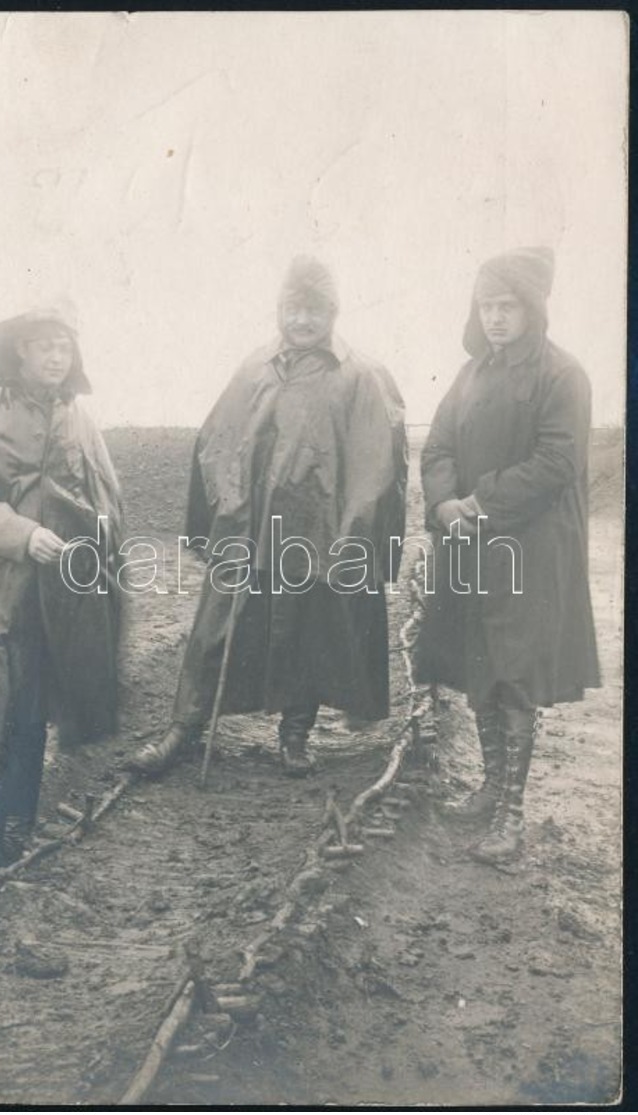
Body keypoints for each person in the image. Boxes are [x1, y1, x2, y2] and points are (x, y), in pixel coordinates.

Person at [124, 255, 407, 779]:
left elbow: (373, 464)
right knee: (216, 630)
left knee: (305, 633)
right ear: (280, 309)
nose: (303, 320)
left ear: (334, 312)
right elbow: (217, 439)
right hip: (247, 530)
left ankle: (294, 735)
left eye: (315, 310)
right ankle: (183, 731)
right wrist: (230, 501)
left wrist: (350, 531)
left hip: (317, 534)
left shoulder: (358, 375)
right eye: (294, 308)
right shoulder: (255, 366)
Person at [415, 247, 600, 864]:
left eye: (507, 306)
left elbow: (557, 462)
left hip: (531, 547)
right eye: (486, 306)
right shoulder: (470, 374)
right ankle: (489, 787)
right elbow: (437, 446)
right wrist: (444, 503)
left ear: (532, 308)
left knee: (514, 673)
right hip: (470, 543)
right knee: (480, 661)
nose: (495, 318)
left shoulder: (562, 374)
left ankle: (512, 816)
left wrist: (477, 503)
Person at [0, 302, 123, 907]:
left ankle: (15, 847)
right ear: (19, 351)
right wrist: (22, 533)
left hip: (57, 604)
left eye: (64, 347)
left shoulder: (80, 423)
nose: (54, 356)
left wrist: (89, 538)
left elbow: (105, 503)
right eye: (43, 345)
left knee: (32, 720)